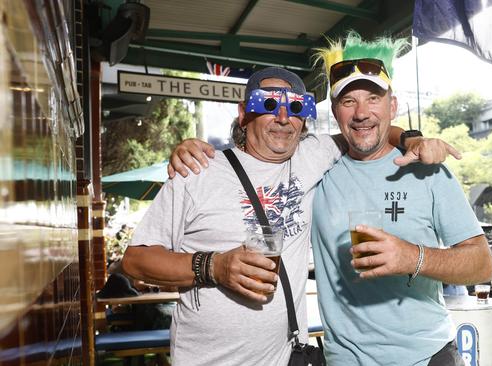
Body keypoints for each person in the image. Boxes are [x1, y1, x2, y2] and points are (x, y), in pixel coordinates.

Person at [124, 66, 459, 365]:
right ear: (244, 113)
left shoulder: (313, 154)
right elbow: (135, 261)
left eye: (297, 107)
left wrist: (411, 138)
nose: (283, 118)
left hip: (289, 357)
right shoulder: (198, 171)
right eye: (268, 104)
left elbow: (365, 127)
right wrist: (214, 266)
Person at [310, 32, 492, 366]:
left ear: (392, 105)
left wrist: (412, 257)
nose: (361, 112)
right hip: (345, 360)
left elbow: (481, 264)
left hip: (426, 356)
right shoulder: (316, 172)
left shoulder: (428, 171)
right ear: (334, 111)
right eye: (348, 101)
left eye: (373, 99)